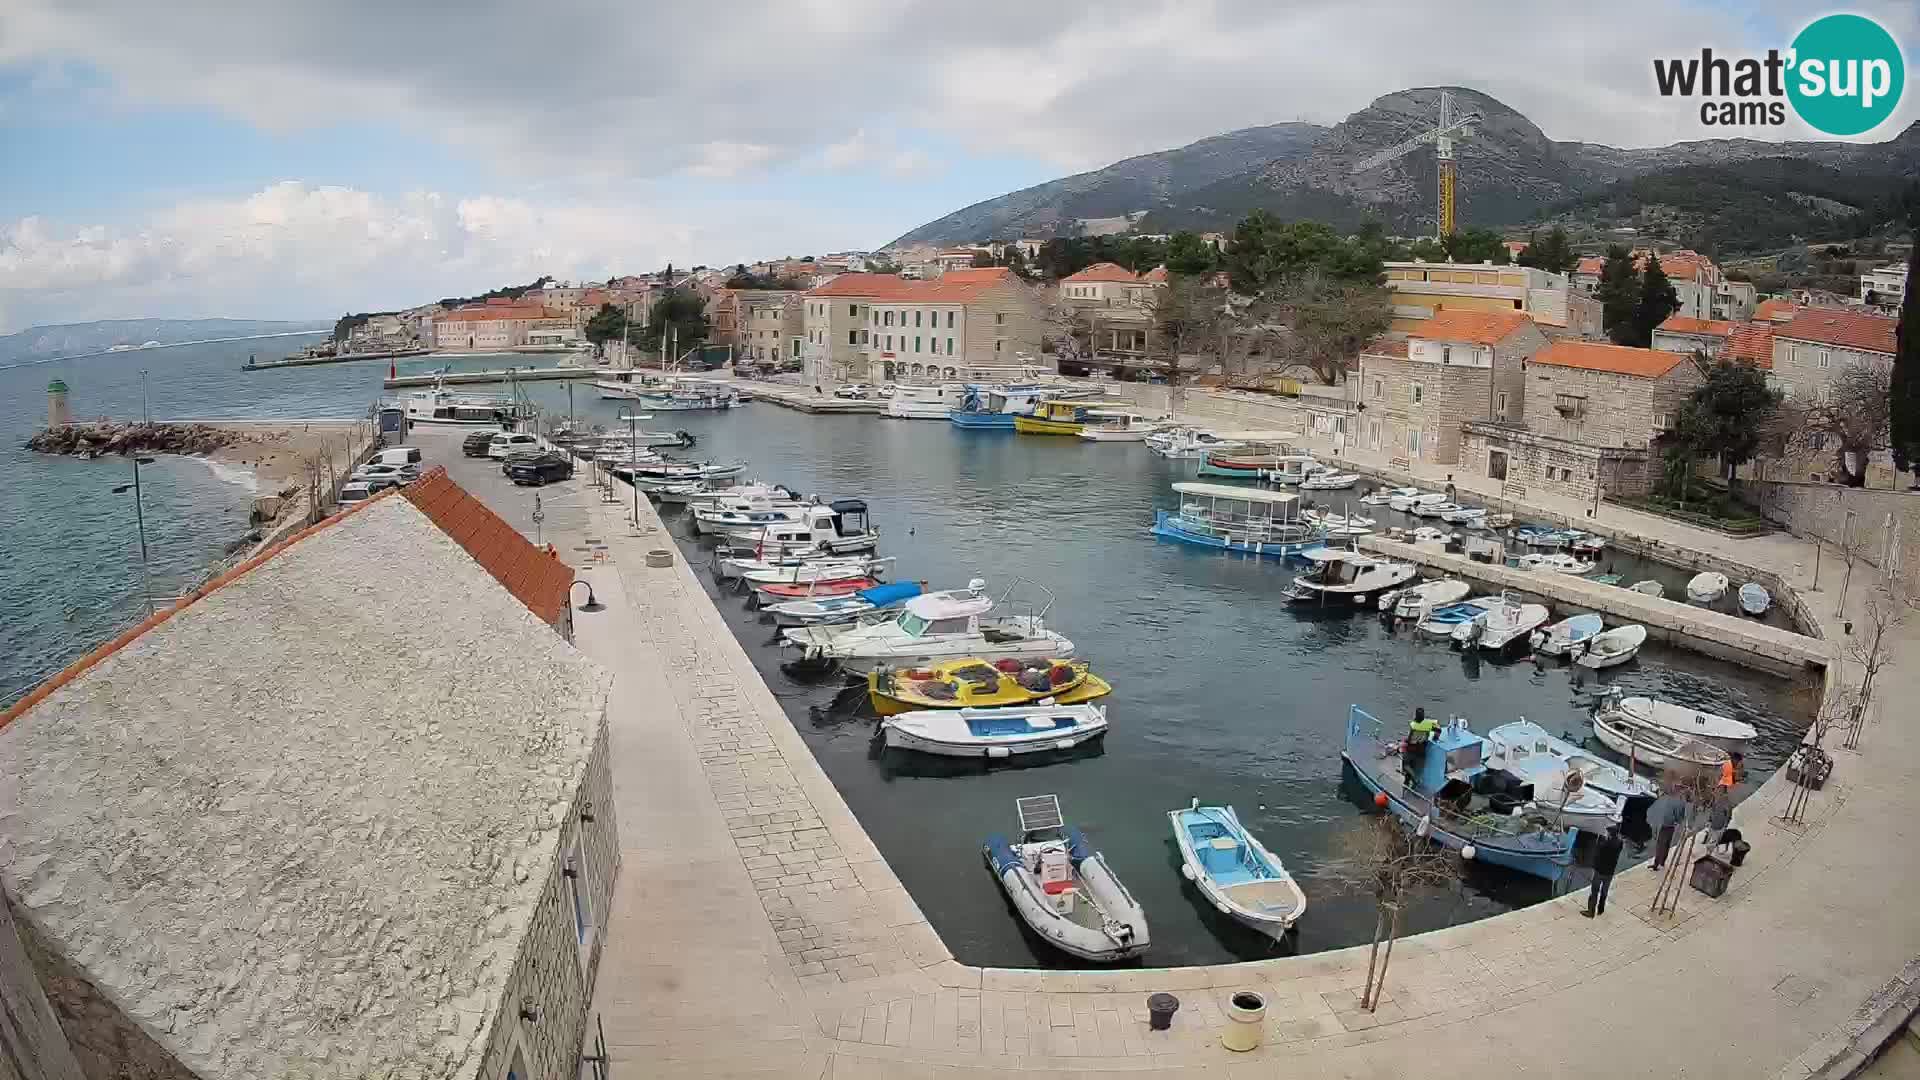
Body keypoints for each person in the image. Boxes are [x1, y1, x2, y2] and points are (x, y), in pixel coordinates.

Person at [1583, 825, 1625, 917]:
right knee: (1604, 891)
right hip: (1610, 872)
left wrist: (1599, 841)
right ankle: (1600, 910)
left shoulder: (1603, 844)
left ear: (1609, 834)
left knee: (1594, 891)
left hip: (1599, 871)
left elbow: (1597, 854)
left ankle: (1591, 911)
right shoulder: (1619, 843)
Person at [1648, 793, 1688, 872]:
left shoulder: (1673, 801)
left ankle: (1657, 864)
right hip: (1668, 825)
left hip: (1666, 825)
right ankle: (1661, 863)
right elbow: (1680, 817)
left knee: (1661, 845)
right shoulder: (1679, 802)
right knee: (1665, 845)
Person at [1403, 707, 1439, 782]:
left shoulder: (1414, 725)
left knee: (1405, 764)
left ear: (1416, 715)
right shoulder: (1428, 724)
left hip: (1412, 749)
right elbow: (1438, 730)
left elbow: (1409, 739)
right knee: (1417, 766)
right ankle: (1413, 778)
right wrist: (1435, 737)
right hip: (1422, 749)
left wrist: (1406, 741)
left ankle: (1414, 778)